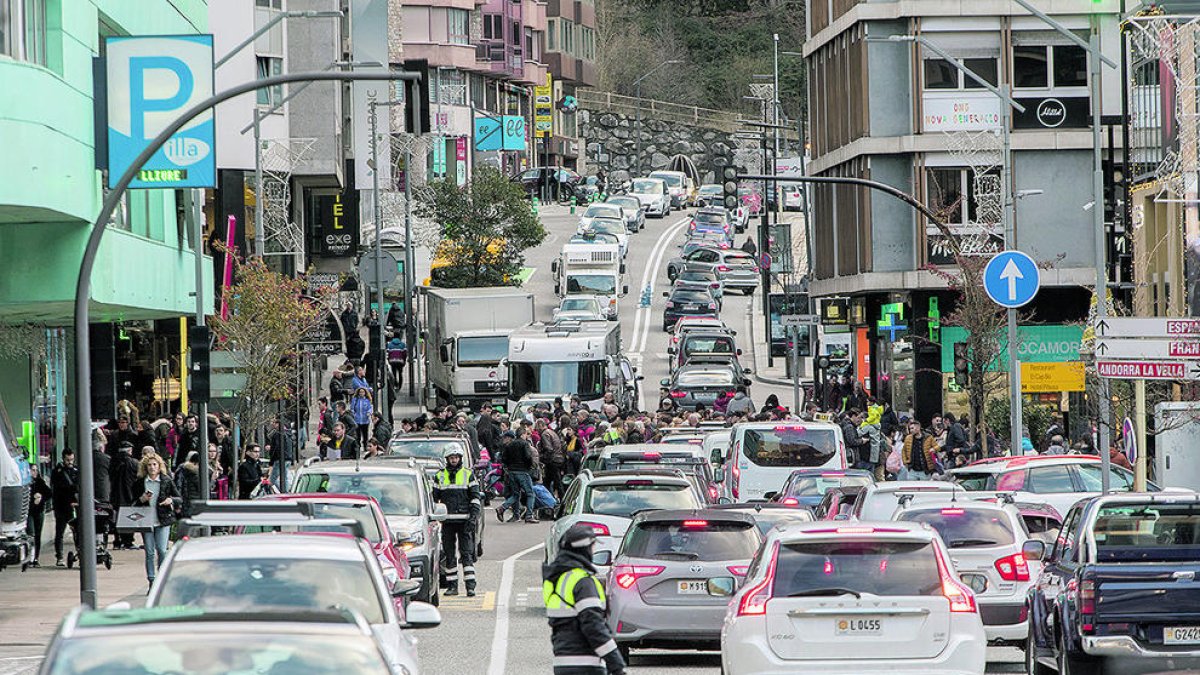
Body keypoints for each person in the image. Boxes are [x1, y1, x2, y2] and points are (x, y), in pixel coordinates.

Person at [543, 522, 627, 675]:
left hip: (562, 662)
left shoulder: (557, 579)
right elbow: (593, 625)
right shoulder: (582, 581)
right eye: (592, 546)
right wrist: (616, 664)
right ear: (585, 549)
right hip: (587, 664)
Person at [431, 446, 482, 596]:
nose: (454, 460)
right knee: (449, 554)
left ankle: (470, 586)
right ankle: (452, 586)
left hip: (465, 522)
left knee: (466, 554)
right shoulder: (439, 476)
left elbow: (475, 498)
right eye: (451, 458)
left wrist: (473, 518)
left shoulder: (468, 475)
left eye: (456, 457)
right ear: (447, 459)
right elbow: (434, 499)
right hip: (446, 522)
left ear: (460, 458)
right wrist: (434, 518)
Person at [132, 453, 180, 588]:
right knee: (149, 551)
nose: (152, 467)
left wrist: (170, 500)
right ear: (145, 467)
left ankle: (162, 577)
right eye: (149, 465)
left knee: (162, 549)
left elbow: (178, 498)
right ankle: (152, 580)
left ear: (160, 466)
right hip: (146, 520)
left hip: (163, 519)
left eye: (155, 465)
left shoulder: (166, 480)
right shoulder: (140, 483)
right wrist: (142, 500)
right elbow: (133, 503)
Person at [496, 429, 538, 523]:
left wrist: (509, 467)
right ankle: (529, 515)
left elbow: (504, 458)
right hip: (522, 471)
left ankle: (503, 508)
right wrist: (529, 466)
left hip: (511, 472)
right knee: (530, 493)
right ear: (523, 435)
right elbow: (528, 457)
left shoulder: (509, 445)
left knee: (515, 494)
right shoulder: (524, 444)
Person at [109, 441, 140, 550]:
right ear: (130, 451)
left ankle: (117, 540)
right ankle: (128, 541)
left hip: (115, 494)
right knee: (129, 518)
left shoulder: (112, 461)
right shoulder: (134, 463)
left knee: (117, 517)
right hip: (129, 494)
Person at [51, 449, 78, 566]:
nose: (70, 462)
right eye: (68, 460)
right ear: (63, 458)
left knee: (76, 531)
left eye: (71, 459)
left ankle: (79, 552)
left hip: (73, 506)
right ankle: (60, 556)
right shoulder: (57, 472)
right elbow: (57, 488)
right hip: (61, 506)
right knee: (60, 532)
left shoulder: (76, 470)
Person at [26, 463, 52, 567]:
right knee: (31, 533)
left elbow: (49, 493)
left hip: (39, 511)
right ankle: (30, 558)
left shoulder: (40, 482)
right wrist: (33, 498)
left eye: (36, 470)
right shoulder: (26, 484)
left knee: (37, 535)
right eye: (33, 470)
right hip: (29, 512)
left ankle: (36, 558)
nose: (35, 472)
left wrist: (41, 497)